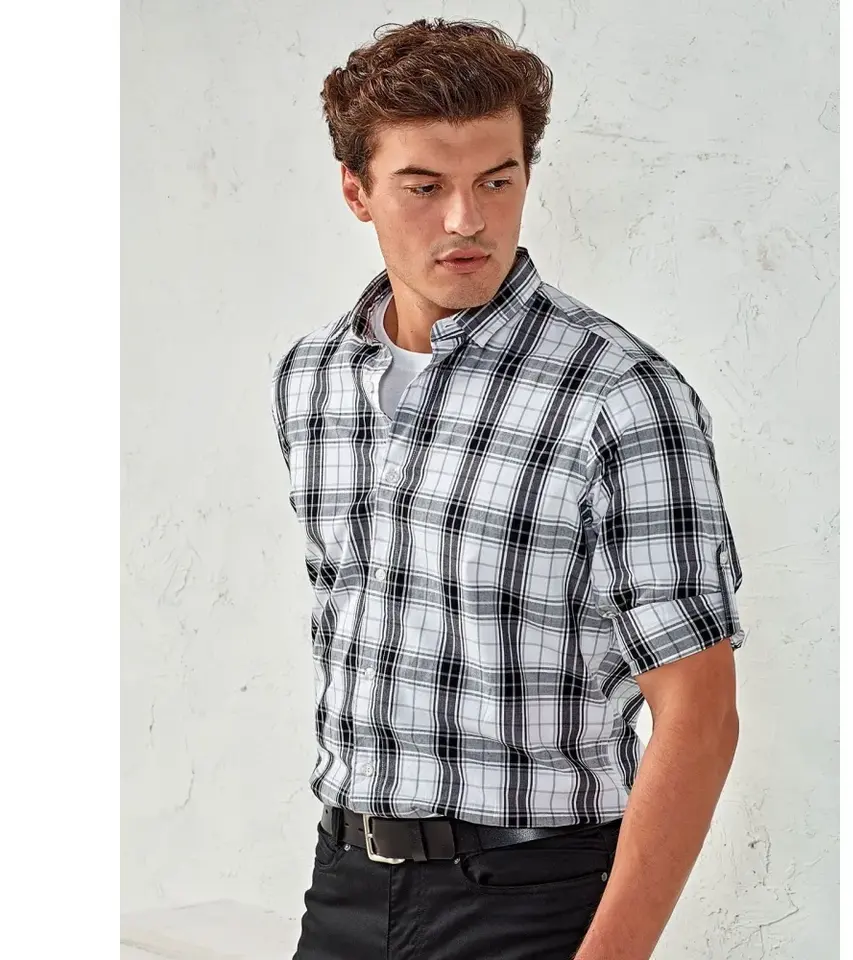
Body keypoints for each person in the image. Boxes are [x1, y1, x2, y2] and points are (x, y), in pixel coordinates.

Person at [270, 18, 745, 960]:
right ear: (356, 190)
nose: (467, 220)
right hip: (346, 886)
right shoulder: (313, 379)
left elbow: (699, 713)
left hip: (535, 901)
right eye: (424, 186)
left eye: (497, 181)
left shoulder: (620, 396)